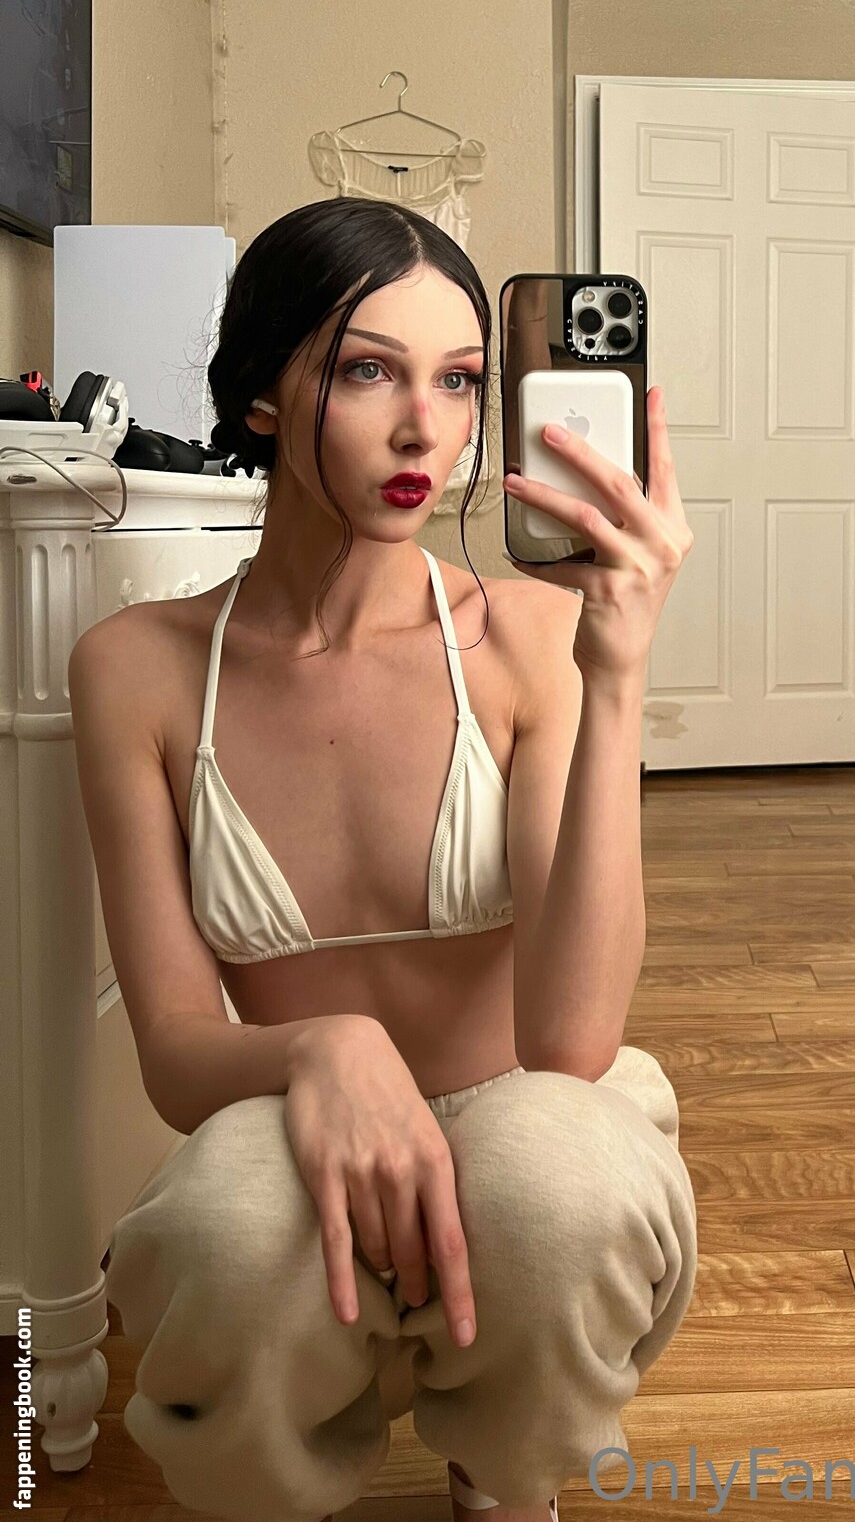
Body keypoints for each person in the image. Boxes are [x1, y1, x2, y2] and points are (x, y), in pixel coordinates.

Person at [68, 198, 698, 1522]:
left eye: (460, 381)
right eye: (368, 372)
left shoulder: (535, 636)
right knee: (220, 1228)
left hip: (527, 1112)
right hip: (290, 1123)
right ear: (260, 395)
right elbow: (177, 1056)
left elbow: (574, 1042)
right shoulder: (135, 670)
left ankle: (505, 1474)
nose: (425, 429)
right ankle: (282, 1488)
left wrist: (619, 673)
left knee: (553, 1184)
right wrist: (325, 1049)